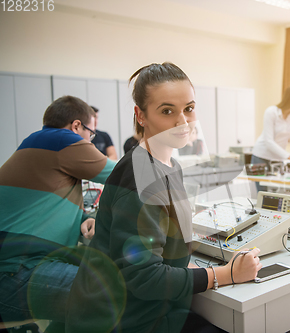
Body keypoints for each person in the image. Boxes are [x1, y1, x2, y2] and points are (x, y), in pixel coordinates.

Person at [65, 62, 261, 333]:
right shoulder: (140, 175)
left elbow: (162, 245)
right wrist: (226, 275)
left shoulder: (169, 165)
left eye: (189, 109)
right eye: (167, 111)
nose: (183, 122)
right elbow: (144, 278)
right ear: (141, 115)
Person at [0, 96, 116, 331]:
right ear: (76, 126)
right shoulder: (61, 140)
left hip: (19, 268)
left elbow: (42, 203)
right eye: (91, 135)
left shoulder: (36, 142)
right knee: (113, 295)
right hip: (18, 272)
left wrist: (86, 218)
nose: (91, 143)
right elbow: (126, 176)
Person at [250, 85, 290, 192]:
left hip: (278, 158)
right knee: (263, 194)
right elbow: (269, 142)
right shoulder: (271, 112)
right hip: (260, 156)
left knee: (278, 195)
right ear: (288, 102)